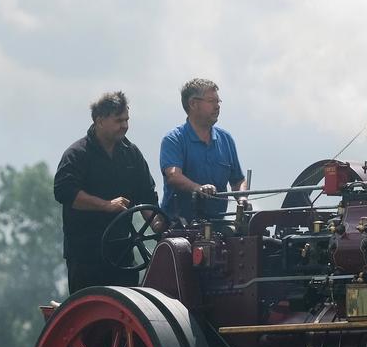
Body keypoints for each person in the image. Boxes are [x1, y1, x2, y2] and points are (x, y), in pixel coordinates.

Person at [54, 91, 163, 293]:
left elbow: (146, 195)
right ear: (99, 121)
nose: (125, 125)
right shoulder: (77, 154)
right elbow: (64, 192)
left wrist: (157, 224)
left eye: (127, 119)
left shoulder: (132, 155)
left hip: (122, 256)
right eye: (118, 120)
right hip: (86, 257)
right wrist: (106, 205)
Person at [159, 78, 247, 223]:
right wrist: (198, 188)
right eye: (212, 101)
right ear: (193, 103)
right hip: (179, 228)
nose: (217, 106)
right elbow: (173, 176)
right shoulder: (174, 139)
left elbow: (238, 180)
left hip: (217, 225)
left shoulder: (226, 139)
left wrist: (242, 197)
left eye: (218, 101)